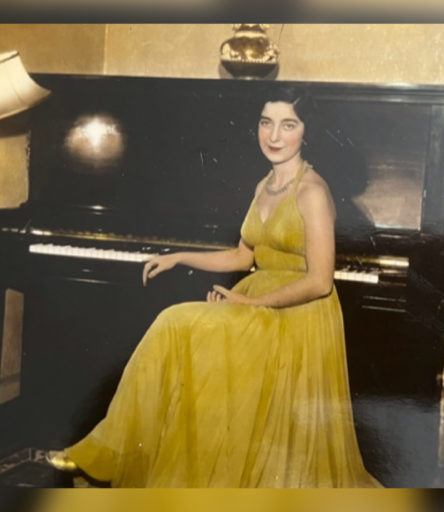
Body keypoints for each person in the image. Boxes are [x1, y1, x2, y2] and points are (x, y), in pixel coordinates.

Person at [46, 87, 382, 488]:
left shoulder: (312, 192)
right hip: (260, 306)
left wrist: (247, 301)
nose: (274, 136)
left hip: (298, 319)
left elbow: (320, 281)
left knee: (177, 325)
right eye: (265, 123)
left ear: (305, 133)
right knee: (180, 332)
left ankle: (108, 457)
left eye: (287, 125)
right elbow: (242, 256)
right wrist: (178, 257)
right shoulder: (265, 186)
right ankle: (122, 456)